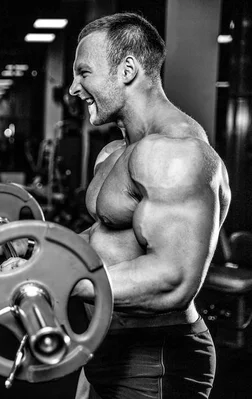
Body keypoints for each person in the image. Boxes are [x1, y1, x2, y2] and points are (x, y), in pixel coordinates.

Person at [67, 12, 231, 399]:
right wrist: (39, 249)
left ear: (127, 69)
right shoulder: (115, 153)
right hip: (106, 345)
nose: (74, 88)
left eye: (84, 73)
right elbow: (110, 238)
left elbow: (172, 280)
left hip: (155, 359)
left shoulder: (176, 154)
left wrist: (62, 279)